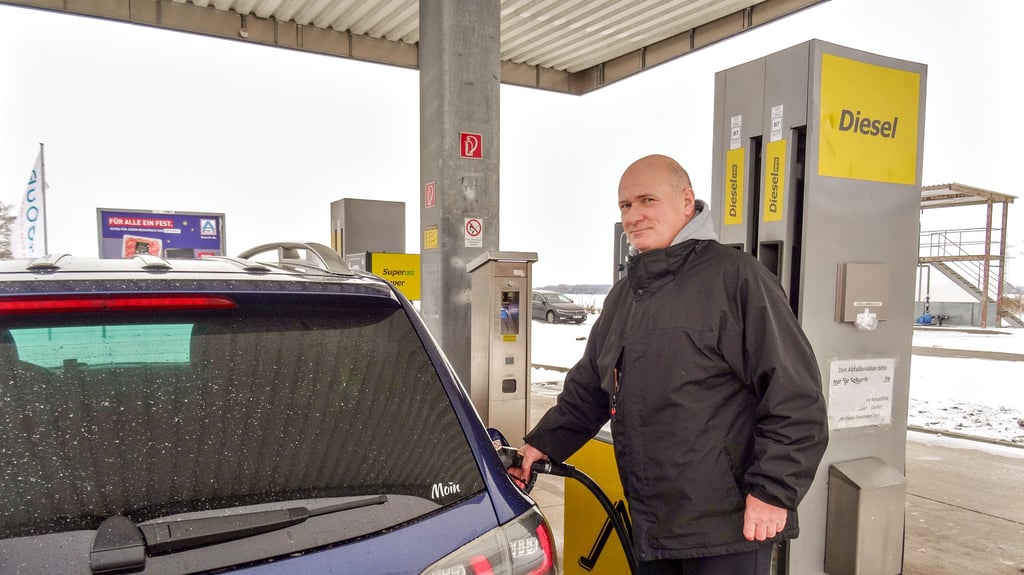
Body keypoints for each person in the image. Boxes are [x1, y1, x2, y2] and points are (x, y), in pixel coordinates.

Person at [511, 154, 828, 574]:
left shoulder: (737, 279)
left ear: (686, 201)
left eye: (647, 200)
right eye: (625, 205)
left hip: (728, 527)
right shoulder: (625, 296)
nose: (634, 215)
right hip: (655, 523)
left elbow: (796, 398)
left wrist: (773, 491)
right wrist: (540, 445)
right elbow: (590, 388)